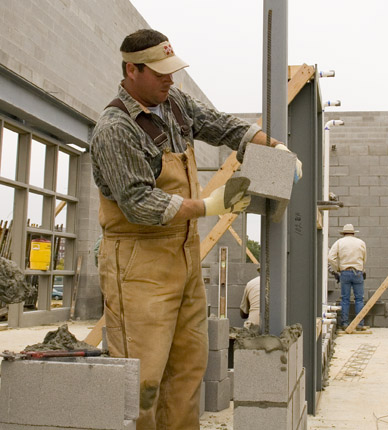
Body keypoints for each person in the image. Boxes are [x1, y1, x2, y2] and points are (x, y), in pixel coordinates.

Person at [90, 29, 301, 430]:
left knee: (188, 371)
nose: (170, 79)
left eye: (173, 70)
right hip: (138, 263)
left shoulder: (174, 104)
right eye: (160, 72)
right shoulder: (115, 129)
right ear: (131, 70)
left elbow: (220, 125)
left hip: (183, 256)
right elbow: (139, 203)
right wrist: (209, 206)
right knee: (143, 379)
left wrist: (272, 147)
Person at [328, 224, 367, 330]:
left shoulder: (339, 242)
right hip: (358, 272)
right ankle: (359, 324)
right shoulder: (361, 243)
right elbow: (364, 258)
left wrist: (338, 268)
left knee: (345, 299)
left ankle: (345, 323)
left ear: (343, 233)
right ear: (354, 233)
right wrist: (362, 269)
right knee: (359, 299)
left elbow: (331, 257)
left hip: (345, 272)